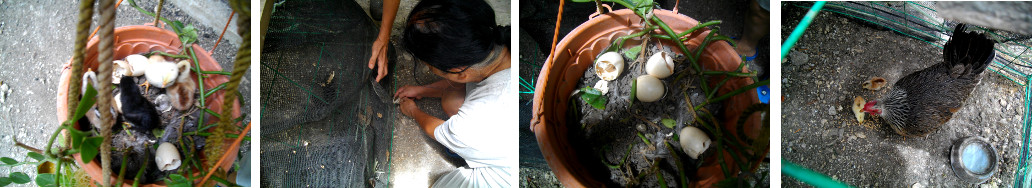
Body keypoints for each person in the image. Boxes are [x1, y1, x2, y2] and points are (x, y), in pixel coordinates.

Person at [389, 0, 517, 187]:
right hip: (501, 141)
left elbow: (438, 130)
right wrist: (422, 90)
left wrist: (412, 111)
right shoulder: (498, 43)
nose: (428, 68)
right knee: (451, 100)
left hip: (504, 174)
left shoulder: (473, 123)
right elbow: (459, 82)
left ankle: (466, 154)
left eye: (431, 67)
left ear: (460, 71)